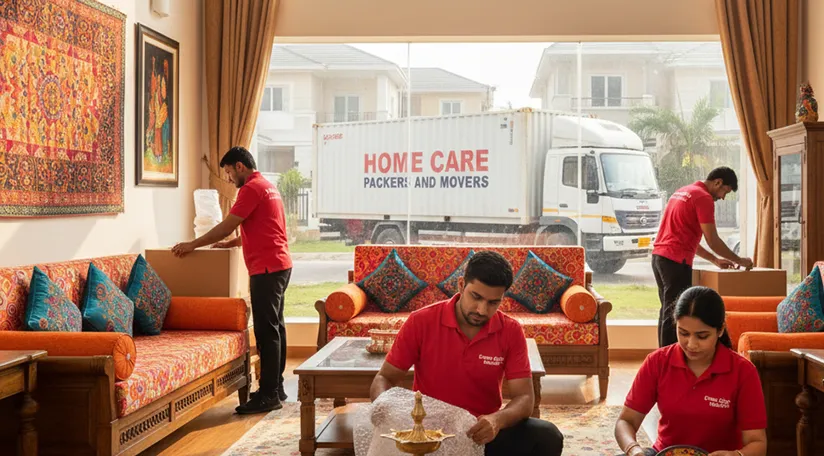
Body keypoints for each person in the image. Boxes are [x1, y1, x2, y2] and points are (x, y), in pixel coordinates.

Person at [369, 251, 564, 456]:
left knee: (548, 436)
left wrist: (496, 420)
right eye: (476, 297)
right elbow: (385, 377)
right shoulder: (421, 322)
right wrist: (384, 408)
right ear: (461, 285)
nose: (481, 310)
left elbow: (524, 397)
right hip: (430, 438)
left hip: (481, 433)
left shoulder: (511, 331)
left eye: (492, 302)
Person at [172, 146, 292, 414]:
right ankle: (277, 386)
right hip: (281, 264)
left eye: (228, 172)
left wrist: (193, 244)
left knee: (265, 330)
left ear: (240, 166)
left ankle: (268, 395)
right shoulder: (268, 186)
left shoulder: (250, 189)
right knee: (277, 328)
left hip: (266, 269)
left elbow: (228, 223)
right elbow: (267, 227)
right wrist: (233, 242)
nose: (227, 178)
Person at [614, 286, 767, 456]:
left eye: (702, 336)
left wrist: (736, 455)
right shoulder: (657, 362)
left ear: (720, 330)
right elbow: (626, 421)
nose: (691, 344)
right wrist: (634, 450)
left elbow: (757, 443)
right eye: (683, 333)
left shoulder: (743, 371)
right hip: (664, 453)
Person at [652, 166, 754, 347]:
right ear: (718, 182)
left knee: (668, 311)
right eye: (725, 191)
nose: (722, 197)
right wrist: (740, 260)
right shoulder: (703, 198)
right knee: (677, 313)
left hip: (660, 258)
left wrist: (715, 260)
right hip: (675, 262)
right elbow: (713, 240)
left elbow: (688, 240)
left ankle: (664, 357)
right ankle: (668, 362)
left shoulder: (683, 192)